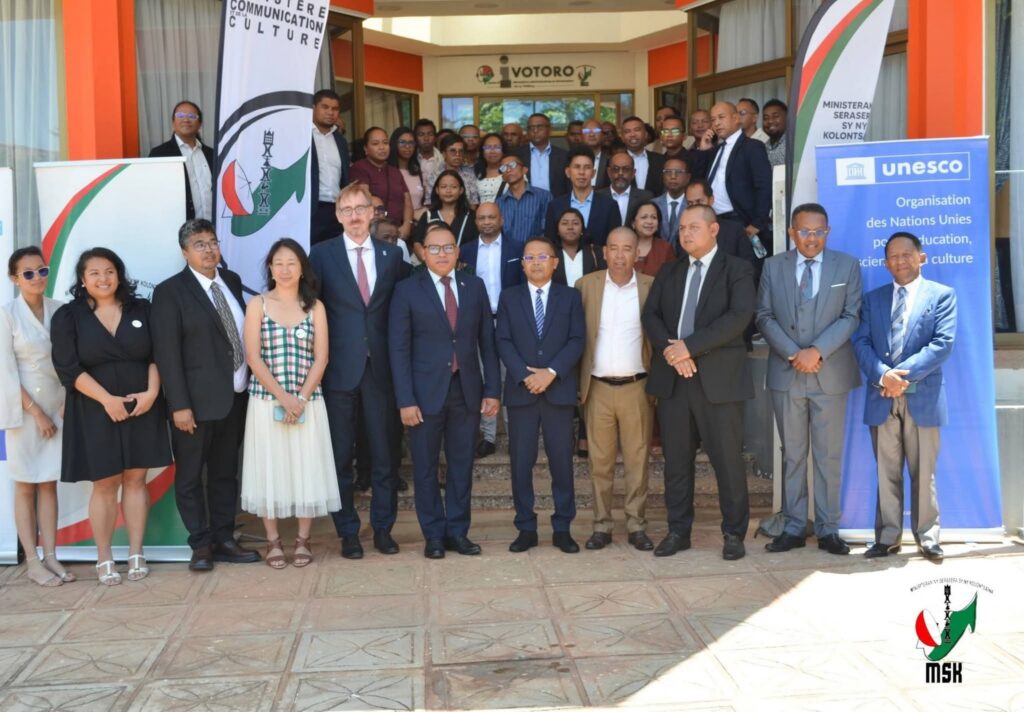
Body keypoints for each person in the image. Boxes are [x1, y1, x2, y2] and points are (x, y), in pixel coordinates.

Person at [51, 248, 172, 584]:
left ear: (119, 275)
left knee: (135, 479)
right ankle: (104, 557)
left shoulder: (142, 309)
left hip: (141, 405)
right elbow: (67, 367)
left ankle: (136, 552)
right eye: (94, 273)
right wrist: (106, 400)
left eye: (109, 271)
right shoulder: (68, 316)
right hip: (94, 408)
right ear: (82, 279)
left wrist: (152, 393)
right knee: (104, 483)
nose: (103, 278)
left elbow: (158, 354)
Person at [642, 205, 755, 560]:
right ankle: (678, 531)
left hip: (719, 382)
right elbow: (651, 315)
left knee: (728, 462)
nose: (686, 234)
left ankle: (733, 534)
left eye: (693, 227)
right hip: (675, 381)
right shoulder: (670, 270)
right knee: (676, 463)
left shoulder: (737, 269)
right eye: (682, 229)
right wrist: (674, 353)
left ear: (714, 229)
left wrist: (689, 347)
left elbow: (738, 318)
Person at [152, 220, 262, 572]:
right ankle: (200, 544)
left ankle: (224, 538)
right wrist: (179, 405)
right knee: (190, 477)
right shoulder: (170, 292)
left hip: (236, 396)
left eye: (212, 242)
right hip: (194, 405)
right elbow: (167, 353)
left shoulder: (230, 280)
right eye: (199, 244)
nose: (209, 249)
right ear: (184, 252)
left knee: (224, 473)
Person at [756, 204, 862, 556]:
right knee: (793, 454)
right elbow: (764, 316)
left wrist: (816, 351)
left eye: (818, 231)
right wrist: (794, 353)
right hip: (787, 374)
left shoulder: (847, 265)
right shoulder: (773, 266)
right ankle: (794, 527)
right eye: (804, 231)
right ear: (792, 232)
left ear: (827, 232)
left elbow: (851, 316)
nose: (811, 238)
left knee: (828, 455)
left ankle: (829, 529)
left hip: (830, 373)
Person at [389, 224, 501, 558]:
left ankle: (458, 532)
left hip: (466, 391)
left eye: (448, 247)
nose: (442, 254)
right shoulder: (407, 290)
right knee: (425, 468)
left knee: (461, 465)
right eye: (435, 248)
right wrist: (405, 400)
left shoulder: (474, 286)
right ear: (423, 252)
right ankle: (434, 535)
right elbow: (399, 349)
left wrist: (492, 390)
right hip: (423, 395)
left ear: (457, 251)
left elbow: (487, 342)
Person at [310, 183, 404, 559]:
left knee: (384, 455)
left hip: (381, 369)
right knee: (339, 457)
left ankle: (383, 528)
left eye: (360, 209)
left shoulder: (392, 255)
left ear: (372, 212)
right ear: (337, 215)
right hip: (337, 370)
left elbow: (399, 312)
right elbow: (311, 309)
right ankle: (347, 531)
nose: (354, 216)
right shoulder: (321, 254)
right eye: (346, 210)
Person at [852, 232, 956, 561]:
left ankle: (928, 537)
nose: (901, 261)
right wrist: (884, 375)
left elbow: (942, 344)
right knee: (887, 471)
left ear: (921, 257)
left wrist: (900, 378)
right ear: (886, 264)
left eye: (907, 254)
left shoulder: (942, 295)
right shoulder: (873, 299)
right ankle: (887, 537)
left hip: (923, 397)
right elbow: (861, 342)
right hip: (881, 394)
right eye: (894, 257)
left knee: (924, 472)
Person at [240, 239, 341, 568]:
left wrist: (300, 398)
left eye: (291, 263)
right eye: (278, 263)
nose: (284, 270)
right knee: (269, 468)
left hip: (307, 401)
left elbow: (321, 357)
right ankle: (272, 541)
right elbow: (253, 357)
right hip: (266, 401)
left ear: (302, 269)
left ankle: (302, 540)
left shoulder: (315, 307)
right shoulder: (258, 305)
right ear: (270, 268)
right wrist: (283, 397)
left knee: (306, 467)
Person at [496, 237, 585, 554]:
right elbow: (503, 340)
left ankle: (562, 527)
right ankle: (526, 527)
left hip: (558, 391)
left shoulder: (570, 297)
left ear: (555, 262)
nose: (535, 262)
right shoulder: (509, 297)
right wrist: (525, 375)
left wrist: (551, 372)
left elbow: (577, 339)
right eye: (529, 257)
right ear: (522, 264)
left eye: (542, 257)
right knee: (521, 464)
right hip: (522, 393)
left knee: (562, 463)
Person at [576, 228, 655, 551]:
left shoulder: (650, 287)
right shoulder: (586, 286)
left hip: (637, 387)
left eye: (627, 249)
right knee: (600, 462)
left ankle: (637, 524)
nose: (620, 255)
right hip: (597, 387)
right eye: (614, 248)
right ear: (604, 252)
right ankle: (601, 525)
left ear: (637, 253)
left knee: (638, 460)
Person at [1, 247, 73, 587]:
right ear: (15, 279)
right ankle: (32, 560)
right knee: (25, 484)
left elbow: (70, 360)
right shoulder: (7, 315)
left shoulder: (60, 309)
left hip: (57, 406)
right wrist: (36, 413)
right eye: (28, 273)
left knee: (48, 482)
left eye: (41, 270)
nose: (36, 278)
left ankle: (52, 555)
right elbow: (5, 372)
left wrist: (67, 399)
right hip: (24, 410)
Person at [459, 203, 524, 458]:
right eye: (482, 218)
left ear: (502, 219)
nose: (487, 222)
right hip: (476, 321)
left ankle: (514, 435)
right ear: (476, 221)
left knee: (511, 378)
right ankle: (487, 437)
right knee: (483, 377)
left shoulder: (517, 248)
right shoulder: (465, 251)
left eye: (491, 217)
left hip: (509, 321)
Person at [693, 101, 772, 258]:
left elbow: (764, 185)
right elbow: (698, 183)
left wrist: (757, 223)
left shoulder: (752, 146)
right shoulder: (715, 150)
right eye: (713, 119)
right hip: (714, 221)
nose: (716, 123)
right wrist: (703, 151)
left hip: (740, 221)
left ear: (736, 118)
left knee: (742, 269)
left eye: (721, 117)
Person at [148, 100, 214, 221]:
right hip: (178, 226)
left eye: (192, 116)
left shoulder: (212, 154)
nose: (186, 120)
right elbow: (153, 194)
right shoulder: (159, 154)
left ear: (200, 124)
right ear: (173, 122)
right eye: (180, 115)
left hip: (213, 226)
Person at [545, 146, 621, 247]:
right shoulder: (555, 206)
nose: (581, 172)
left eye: (587, 167)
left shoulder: (610, 206)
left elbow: (615, 242)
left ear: (593, 173)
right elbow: (550, 243)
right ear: (568, 172)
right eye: (577, 167)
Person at [350, 127, 414, 243]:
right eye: (375, 143)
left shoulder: (395, 171)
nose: (382, 147)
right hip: (373, 233)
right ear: (366, 149)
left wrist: (407, 225)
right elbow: (364, 198)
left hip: (398, 232)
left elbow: (407, 201)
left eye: (385, 143)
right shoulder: (360, 168)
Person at [308, 89, 351, 245]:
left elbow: (344, 177)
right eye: (325, 107)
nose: (330, 112)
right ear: (313, 108)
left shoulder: (340, 141)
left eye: (335, 109)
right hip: (311, 209)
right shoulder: (302, 136)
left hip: (337, 210)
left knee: (334, 253)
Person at [684, 180, 757, 266]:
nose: (695, 207)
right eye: (690, 203)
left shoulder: (734, 231)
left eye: (699, 201)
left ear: (711, 200)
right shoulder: (683, 234)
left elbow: (747, 267)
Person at [495, 153, 551, 246]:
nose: (508, 170)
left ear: (525, 169)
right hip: (509, 251)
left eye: (512, 165)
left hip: (536, 250)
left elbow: (549, 228)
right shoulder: (499, 203)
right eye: (503, 168)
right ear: (503, 177)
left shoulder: (543, 196)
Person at [414, 170, 479, 248]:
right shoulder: (428, 216)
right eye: (443, 187)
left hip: (466, 256)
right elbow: (417, 243)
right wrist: (424, 255)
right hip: (435, 256)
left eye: (454, 187)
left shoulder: (471, 216)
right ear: (437, 190)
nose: (448, 191)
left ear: (461, 190)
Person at [517, 113, 569, 197]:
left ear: (550, 130)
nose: (535, 131)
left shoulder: (564, 156)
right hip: (526, 203)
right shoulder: (517, 155)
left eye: (540, 127)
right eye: (531, 128)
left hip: (556, 202)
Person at [424, 134, 480, 207]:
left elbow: (474, 203)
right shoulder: (434, 175)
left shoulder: (469, 173)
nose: (457, 154)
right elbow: (430, 203)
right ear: (444, 154)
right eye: (453, 151)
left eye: (461, 151)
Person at [552, 207, 603, 287]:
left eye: (575, 223)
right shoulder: (549, 253)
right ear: (557, 229)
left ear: (582, 229)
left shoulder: (596, 252)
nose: (570, 227)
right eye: (565, 223)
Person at [599, 152, 653, 226]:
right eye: (616, 169)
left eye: (626, 169)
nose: (620, 173)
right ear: (609, 172)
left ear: (633, 173)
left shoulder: (646, 197)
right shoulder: (597, 196)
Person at [621, 116, 666, 195]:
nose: (632, 134)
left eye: (637, 130)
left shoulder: (661, 160)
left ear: (645, 134)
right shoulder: (614, 162)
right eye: (627, 131)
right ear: (622, 138)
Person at [389, 127, 427, 221]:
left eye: (411, 143)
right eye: (402, 142)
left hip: (418, 223)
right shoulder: (388, 171)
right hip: (396, 223)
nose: (407, 146)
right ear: (394, 144)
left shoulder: (417, 171)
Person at [629, 200, 675, 277]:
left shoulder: (665, 248)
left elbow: (672, 277)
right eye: (644, 217)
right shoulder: (624, 245)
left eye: (654, 217)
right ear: (633, 223)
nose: (649, 221)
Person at [654, 156, 691, 245]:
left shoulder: (692, 205)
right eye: (668, 172)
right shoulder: (653, 204)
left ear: (688, 177)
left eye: (679, 172)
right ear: (663, 176)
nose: (673, 176)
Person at [475, 133, 507, 204]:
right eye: (487, 147)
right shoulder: (475, 172)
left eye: (497, 147)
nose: (492, 151)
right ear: (482, 152)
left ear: (503, 150)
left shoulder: (512, 171)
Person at [581, 119, 610, 188]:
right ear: (581, 136)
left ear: (602, 135)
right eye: (586, 131)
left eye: (596, 131)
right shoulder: (571, 160)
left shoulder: (610, 160)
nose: (592, 134)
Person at [762, 99, 788, 168]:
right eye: (766, 118)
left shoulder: (794, 145)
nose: (770, 121)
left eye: (775, 116)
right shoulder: (762, 145)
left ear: (787, 118)